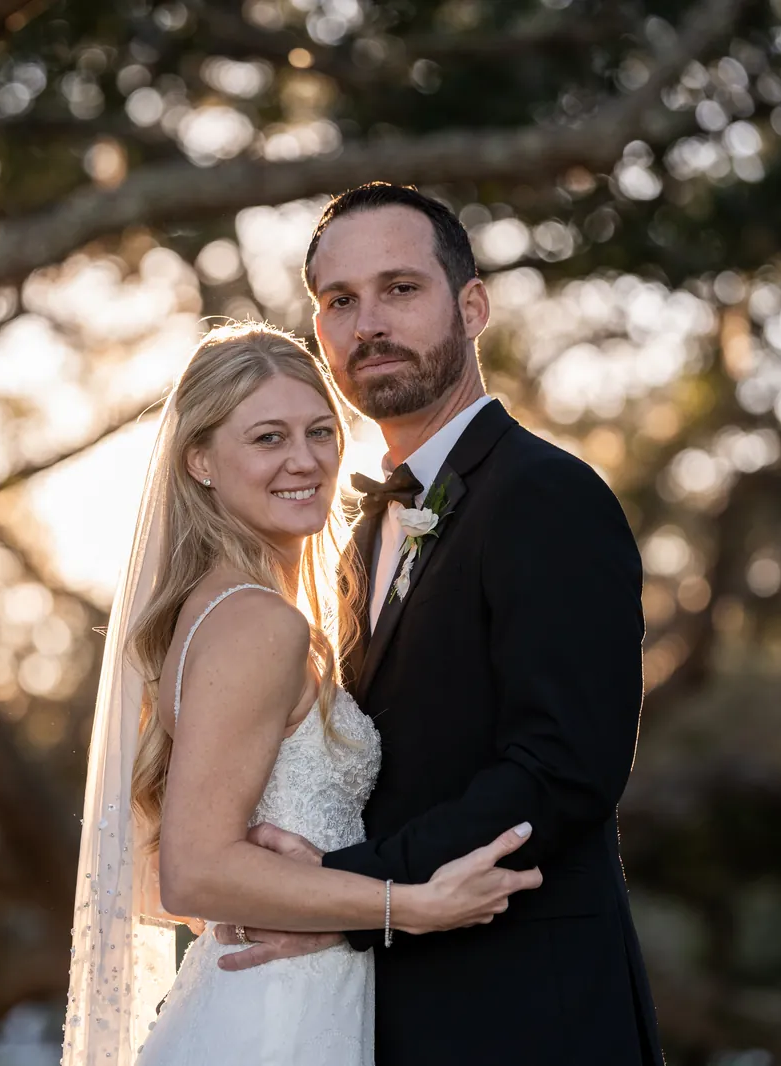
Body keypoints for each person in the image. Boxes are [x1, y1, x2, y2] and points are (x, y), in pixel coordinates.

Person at [214, 183, 665, 1064]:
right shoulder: (349, 537)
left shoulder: (548, 497)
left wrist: (343, 894)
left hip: (535, 1014)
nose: (367, 323)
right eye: (339, 302)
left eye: (400, 289)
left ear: (472, 305)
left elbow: (563, 770)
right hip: (387, 1012)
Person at [60, 322, 542, 1066]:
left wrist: (308, 877)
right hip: (274, 1019)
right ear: (200, 461)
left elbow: (179, 866)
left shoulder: (224, 607)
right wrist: (408, 905)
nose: (305, 459)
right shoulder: (257, 623)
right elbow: (194, 872)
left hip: (294, 992)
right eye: (267, 439)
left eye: (320, 430)